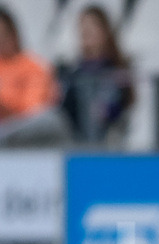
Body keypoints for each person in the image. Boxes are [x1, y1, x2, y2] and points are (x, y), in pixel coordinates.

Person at [59, 4, 134, 145]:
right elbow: (66, 111)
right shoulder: (73, 73)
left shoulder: (117, 69)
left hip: (108, 144)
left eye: (91, 26)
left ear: (104, 31)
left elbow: (121, 107)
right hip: (78, 143)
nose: (85, 31)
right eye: (82, 27)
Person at [0, 7, 69, 146]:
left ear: (13, 34)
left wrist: (4, 106)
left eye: (3, 34)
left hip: (21, 129)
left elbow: (33, 111)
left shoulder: (33, 67)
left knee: (51, 119)